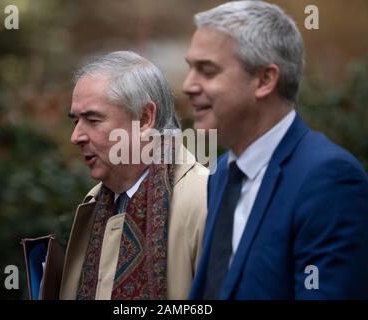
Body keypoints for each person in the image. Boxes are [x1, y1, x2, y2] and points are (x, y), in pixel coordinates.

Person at [183, 1, 368, 299]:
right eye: (190, 68)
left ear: (265, 80)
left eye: (207, 71)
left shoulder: (329, 180)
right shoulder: (220, 174)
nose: (188, 85)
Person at [59, 51, 208, 300]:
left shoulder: (205, 200)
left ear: (145, 118)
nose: (76, 137)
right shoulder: (94, 201)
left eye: (93, 120)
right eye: (75, 121)